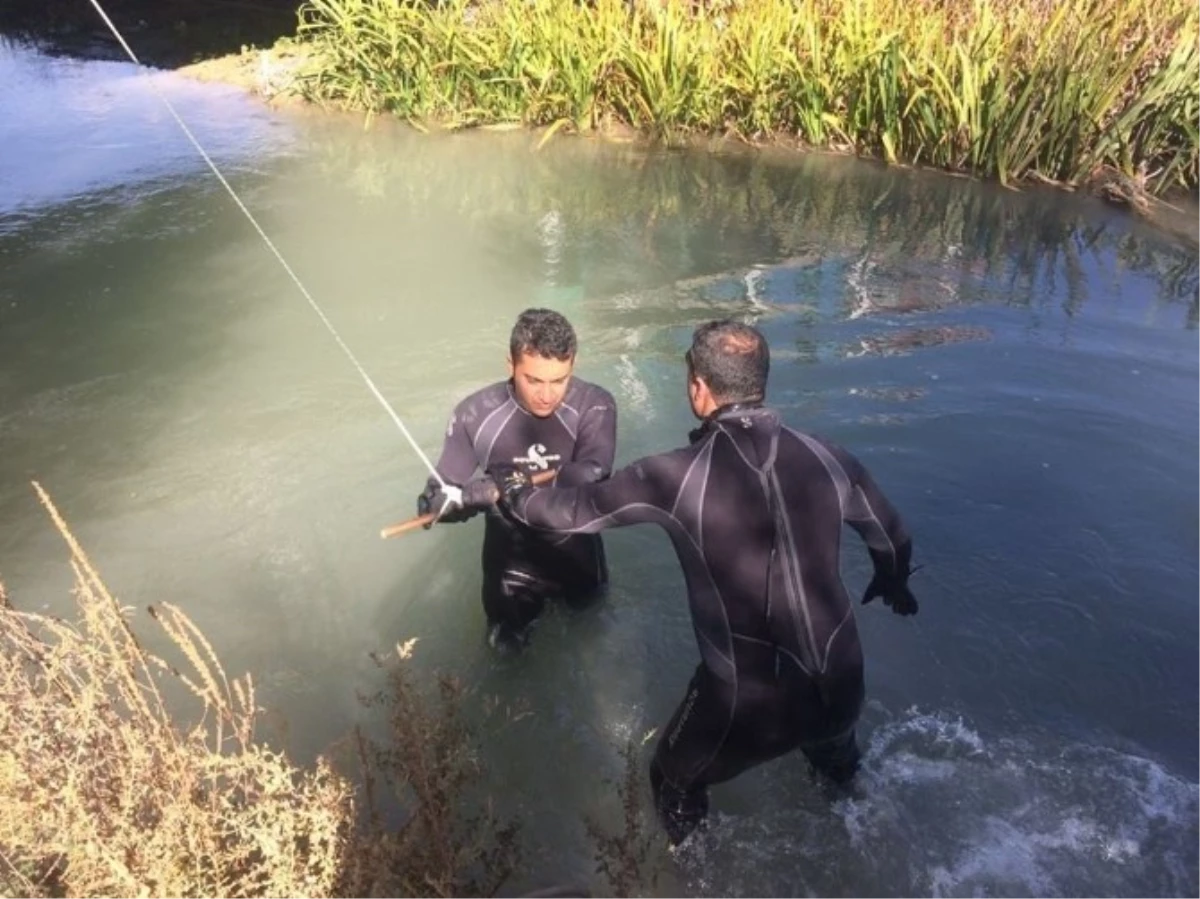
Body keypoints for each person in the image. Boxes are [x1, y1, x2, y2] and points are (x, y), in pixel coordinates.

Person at [491, 319, 919, 846]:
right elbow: (893, 539)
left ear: (697, 387)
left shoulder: (675, 476)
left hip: (748, 705)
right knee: (836, 765)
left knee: (670, 778)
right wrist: (894, 585)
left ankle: (695, 879)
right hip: (842, 681)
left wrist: (512, 495)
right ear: (761, 381)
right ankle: (869, 836)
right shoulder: (830, 457)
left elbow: (572, 513)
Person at [417, 308, 618, 652]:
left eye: (559, 380)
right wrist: (473, 495)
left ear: (574, 364)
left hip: (577, 554)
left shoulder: (594, 405)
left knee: (595, 642)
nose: (547, 394)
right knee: (505, 664)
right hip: (511, 567)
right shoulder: (475, 414)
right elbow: (430, 505)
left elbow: (594, 472)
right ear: (510, 364)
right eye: (534, 380)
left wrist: (518, 485)